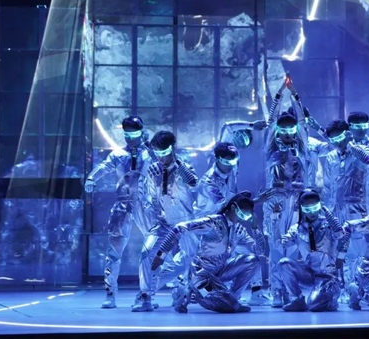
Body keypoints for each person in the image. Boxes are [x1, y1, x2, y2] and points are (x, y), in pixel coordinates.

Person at [151, 192, 265, 313]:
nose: (242, 219)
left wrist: (255, 228)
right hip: (201, 275)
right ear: (232, 208)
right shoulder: (213, 222)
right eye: (241, 215)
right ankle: (191, 292)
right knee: (225, 304)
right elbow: (180, 228)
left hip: (220, 271)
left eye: (246, 217)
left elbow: (259, 250)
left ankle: (234, 298)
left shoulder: (238, 229)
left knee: (253, 261)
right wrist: (161, 255)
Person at [84, 116, 155, 309]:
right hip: (122, 206)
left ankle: (148, 294)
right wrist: (91, 178)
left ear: (142, 133)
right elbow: (104, 166)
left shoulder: (149, 154)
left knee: (153, 249)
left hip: (145, 206)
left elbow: (162, 165)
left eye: (134, 134)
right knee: (114, 252)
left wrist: (148, 146)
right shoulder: (118, 154)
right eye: (127, 134)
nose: (130, 138)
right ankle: (110, 294)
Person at [194, 141, 271, 306]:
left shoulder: (232, 170)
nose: (230, 165)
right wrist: (255, 201)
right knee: (192, 263)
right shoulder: (208, 182)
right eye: (226, 162)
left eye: (234, 161)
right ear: (217, 158)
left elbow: (232, 203)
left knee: (251, 253)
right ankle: (187, 290)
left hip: (230, 221)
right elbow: (224, 205)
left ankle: (250, 293)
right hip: (210, 227)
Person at [134, 131, 198, 312]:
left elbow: (193, 183)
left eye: (165, 153)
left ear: (172, 149)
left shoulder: (184, 168)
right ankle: (145, 297)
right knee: (146, 254)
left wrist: (176, 164)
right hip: (163, 222)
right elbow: (153, 198)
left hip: (185, 223)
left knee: (190, 260)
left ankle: (183, 292)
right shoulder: (153, 169)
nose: (161, 157)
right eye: (158, 153)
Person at [262, 74, 310, 307]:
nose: (289, 134)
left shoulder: (302, 145)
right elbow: (271, 120)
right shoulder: (271, 146)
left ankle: (291, 289)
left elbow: (302, 120)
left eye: (292, 130)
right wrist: (280, 93)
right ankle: (276, 291)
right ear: (278, 131)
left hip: (298, 199)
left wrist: (295, 94)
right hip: (276, 200)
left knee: (294, 245)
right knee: (275, 245)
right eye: (284, 130)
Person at [321, 120, 369, 302]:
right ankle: (345, 288)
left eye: (340, 137)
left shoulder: (360, 151)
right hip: (336, 208)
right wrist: (327, 211)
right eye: (333, 139)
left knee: (358, 250)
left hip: (357, 206)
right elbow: (327, 185)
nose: (337, 141)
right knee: (339, 250)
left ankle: (360, 288)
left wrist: (351, 145)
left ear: (348, 133)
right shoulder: (330, 156)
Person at [278, 189, 346, 312]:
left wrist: (331, 219)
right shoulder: (297, 228)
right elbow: (282, 243)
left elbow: (341, 236)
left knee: (314, 305)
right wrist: (275, 219)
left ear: (320, 205)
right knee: (284, 263)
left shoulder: (328, 224)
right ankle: (297, 299)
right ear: (302, 209)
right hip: (309, 274)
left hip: (327, 276)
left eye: (315, 207)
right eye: (307, 209)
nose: (312, 212)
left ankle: (330, 298)